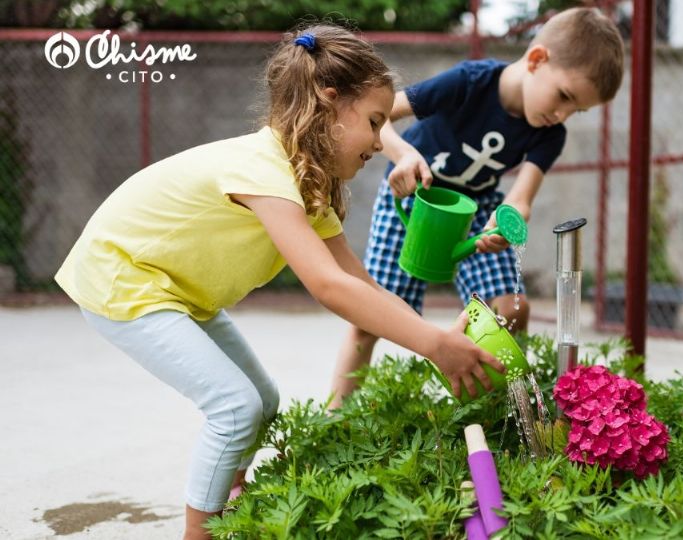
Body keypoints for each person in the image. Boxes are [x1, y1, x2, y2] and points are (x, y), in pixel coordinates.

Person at [54, 25, 502, 540]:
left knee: (262, 402)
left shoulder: (306, 185)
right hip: (124, 275)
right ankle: (200, 535)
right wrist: (433, 345)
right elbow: (327, 287)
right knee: (235, 408)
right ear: (330, 104)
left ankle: (232, 501)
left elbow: (361, 284)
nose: (381, 143)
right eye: (375, 123)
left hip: (177, 289)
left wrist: (437, 338)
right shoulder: (267, 170)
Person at [333, 7, 625, 407]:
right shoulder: (469, 83)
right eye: (564, 97)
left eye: (577, 110)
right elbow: (377, 121)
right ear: (537, 59)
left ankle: (490, 408)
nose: (562, 115)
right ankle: (335, 419)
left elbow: (519, 201)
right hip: (414, 200)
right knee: (368, 321)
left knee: (509, 310)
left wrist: (503, 225)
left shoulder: (549, 135)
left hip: (476, 208)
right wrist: (403, 155)